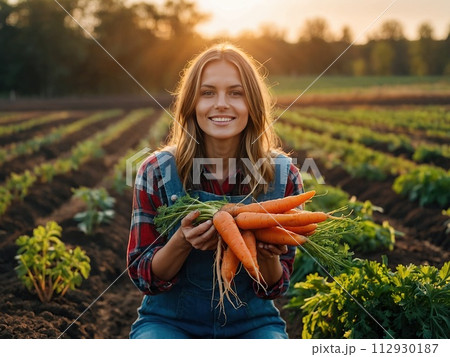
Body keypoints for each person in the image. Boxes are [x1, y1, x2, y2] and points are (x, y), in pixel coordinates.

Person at [127, 43, 304, 339]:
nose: (221, 103)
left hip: (254, 325)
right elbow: (142, 275)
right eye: (208, 93)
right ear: (192, 104)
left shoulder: (284, 175)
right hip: (168, 323)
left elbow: (275, 287)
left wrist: (268, 256)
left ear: (252, 104)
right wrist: (182, 242)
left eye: (236, 93)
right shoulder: (156, 171)